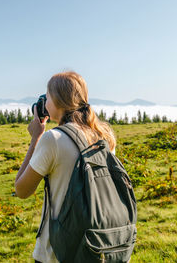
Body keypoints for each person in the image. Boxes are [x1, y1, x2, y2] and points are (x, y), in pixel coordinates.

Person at [14, 71, 117, 263]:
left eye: (48, 95)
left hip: (56, 253)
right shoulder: (105, 137)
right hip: (97, 246)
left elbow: (21, 190)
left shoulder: (53, 139)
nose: (44, 102)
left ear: (58, 101)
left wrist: (35, 137)